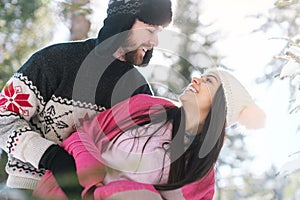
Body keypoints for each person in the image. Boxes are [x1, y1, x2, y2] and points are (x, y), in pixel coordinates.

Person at [0, 0, 172, 198]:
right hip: (28, 190)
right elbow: (3, 117)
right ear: (123, 22)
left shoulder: (139, 92)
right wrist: (50, 156)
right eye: (150, 30)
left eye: (159, 32)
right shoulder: (55, 60)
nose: (155, 42)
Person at [32, 68, 266, 199]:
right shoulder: (147, 108)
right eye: (202, 75)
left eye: (208, 81)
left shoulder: (200, 177)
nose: (196, 78)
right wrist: (88, 188)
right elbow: (84, 135)